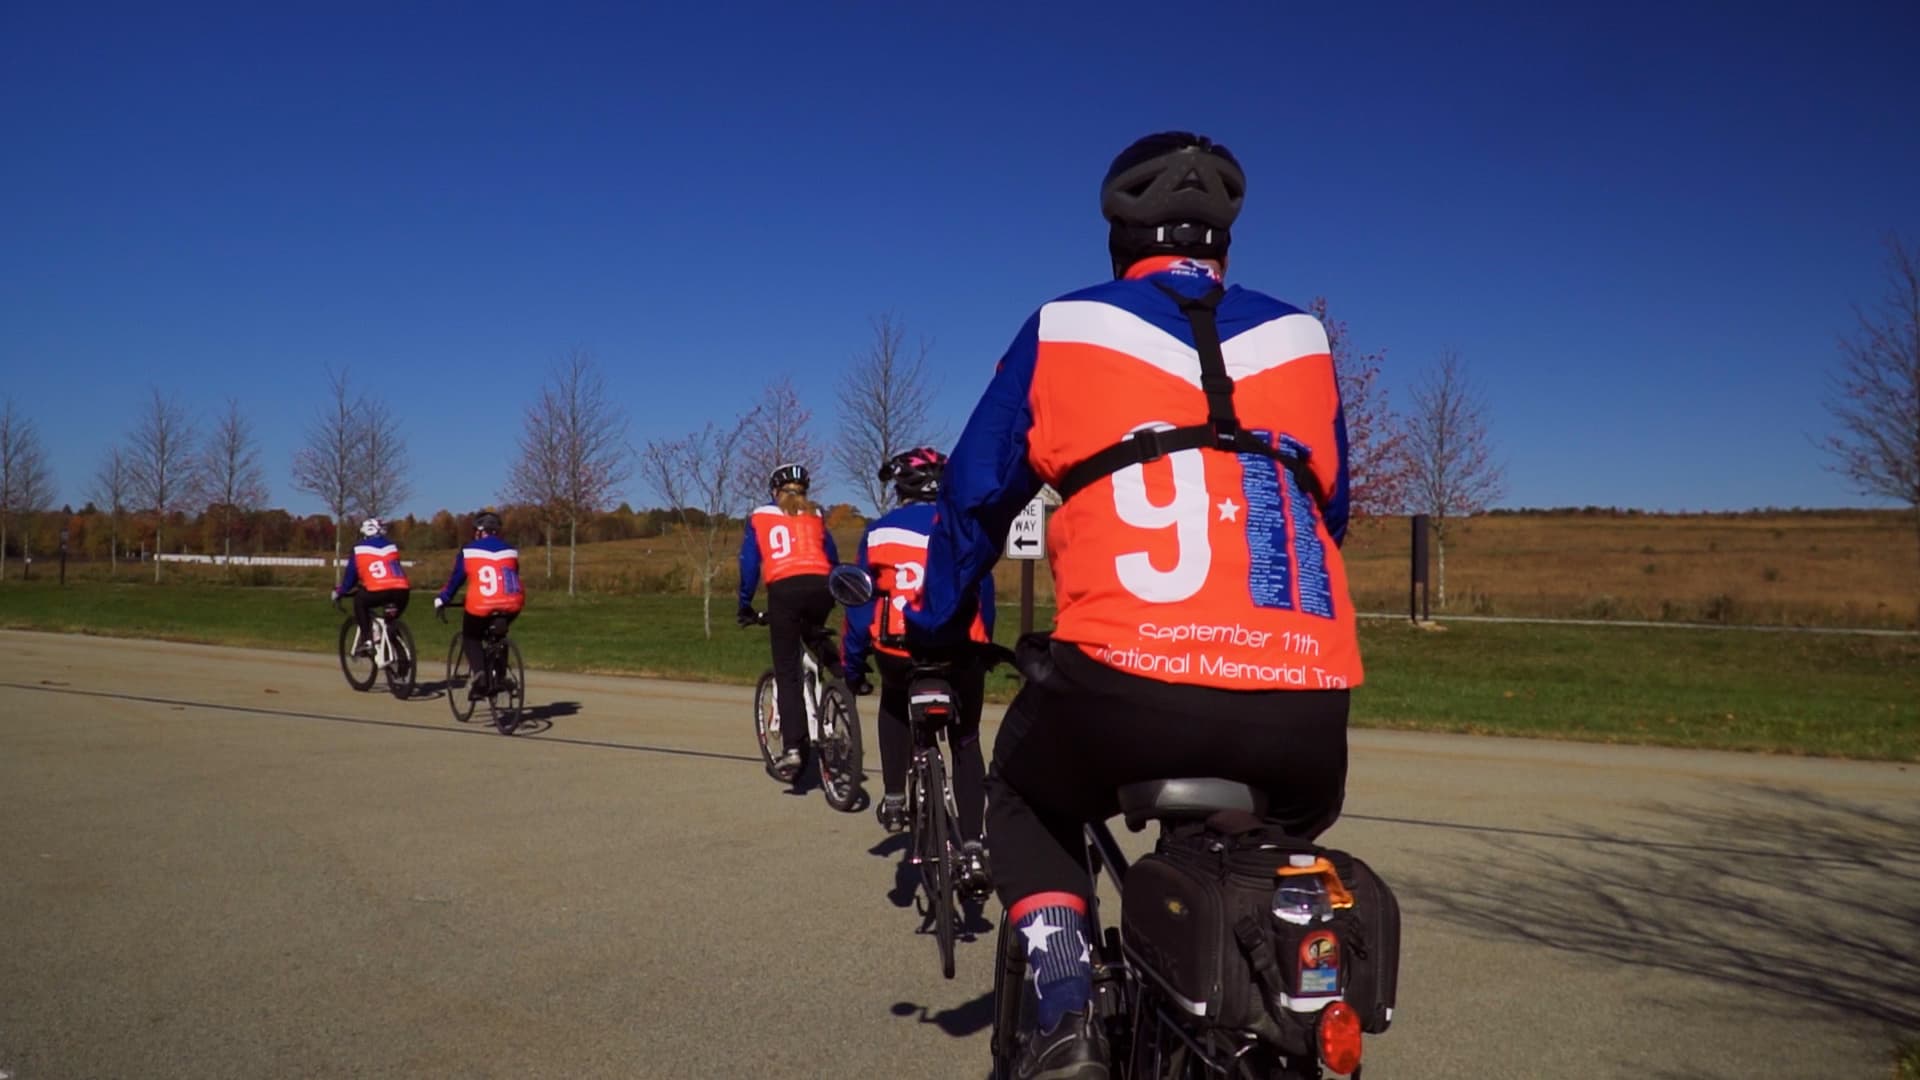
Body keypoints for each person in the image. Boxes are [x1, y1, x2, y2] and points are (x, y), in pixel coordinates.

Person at [909, 131, 1363, 1079]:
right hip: (1308, 709)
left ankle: (1067, 1007)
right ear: (1224, 249)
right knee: (1259, 852)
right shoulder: (1305, 340)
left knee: (1024, 796)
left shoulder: (1067, 326)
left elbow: (971, 499)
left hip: (1125, 683)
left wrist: (934, 629)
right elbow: (1337, 510)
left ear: (1120, 247)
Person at [842, 448, 996, 892]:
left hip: (900, 652)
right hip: (959, 652)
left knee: (892, 701)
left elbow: (858, 606)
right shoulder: (965, 526)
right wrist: (983, 648)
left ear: (901, 488)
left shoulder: (878, 532)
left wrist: (853, 666)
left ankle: (893, 797)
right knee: (966, 741)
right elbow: (983, 596)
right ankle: (971, 848)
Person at [738, 463, 840, 779]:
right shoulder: (817, 514)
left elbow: (750, 563)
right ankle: (843, 671)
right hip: (823, 587)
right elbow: (832, 558)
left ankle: (794, 749)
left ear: (774, 492)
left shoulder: (759, 516)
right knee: (812, 634)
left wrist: (744, 604)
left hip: (784, 590)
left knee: (787, 671)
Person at [434, 511, 526, 699]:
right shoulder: (511, 550)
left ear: (478, 531)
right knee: (500, 635)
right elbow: (513, 573)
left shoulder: (468, 550)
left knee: (471, 636)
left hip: (481, 604)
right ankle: (500, 677)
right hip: (512, 603)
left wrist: (443, 598)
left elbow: (456, 579)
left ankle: (480, 677)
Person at [331, 518, 411, 654]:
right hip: (402, 591)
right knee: (389, 624)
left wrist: (340, 591)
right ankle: (401, 659)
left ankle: (367, 639)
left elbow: (351, 577)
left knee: (360, 600)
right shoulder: (392, 546)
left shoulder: (359, 549)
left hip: (378, 591)